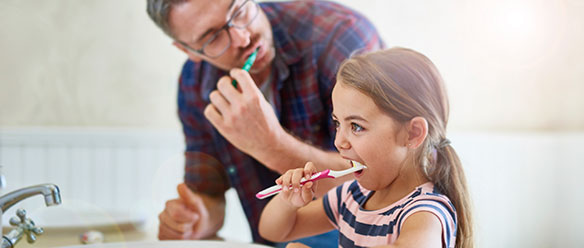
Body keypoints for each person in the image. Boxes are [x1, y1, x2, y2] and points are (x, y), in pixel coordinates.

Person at [146, 0, 384, 246]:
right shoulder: (195, 84)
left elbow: (382, 176)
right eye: (214, 36)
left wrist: (271, 146)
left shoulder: (340, 36)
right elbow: (210, 195)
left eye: (239, 11)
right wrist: (200, 219)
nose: (242, 37)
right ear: (189, 51)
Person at [258, 48, 474, 248]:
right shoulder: (354, 196)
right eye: (337, 124)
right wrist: (288, 202)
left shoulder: (425, 212)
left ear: (413, 133)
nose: (339, 142)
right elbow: (273, 231)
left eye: (356, 126)